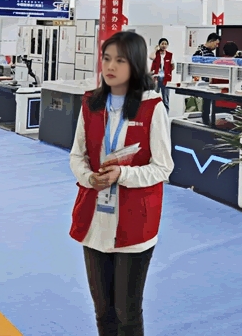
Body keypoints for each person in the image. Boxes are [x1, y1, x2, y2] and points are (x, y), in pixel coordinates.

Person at [70, 31, 173, 336]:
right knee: (103, 311)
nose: (110, 66)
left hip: (134, 220)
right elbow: (77, 155)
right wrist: (89, 177)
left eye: (120, 60)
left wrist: (123, 175)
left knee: (127, 313)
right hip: (95, 218)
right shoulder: (91, 103)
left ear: (136, 65)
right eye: (106, 58)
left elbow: (163, 167)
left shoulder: (152, 107)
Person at [149, 38, 174, 109]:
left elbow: (172, 66)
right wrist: (155, 50)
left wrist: (167, 72)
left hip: (165, 78)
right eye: (162, 44)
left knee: (165, 98)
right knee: (154, 97)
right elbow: (151, 57)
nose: (164, 45)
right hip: (156, 78)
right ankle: (153, 113)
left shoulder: (169, 55)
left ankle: (166, 113)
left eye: (165, 44)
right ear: (159, 45)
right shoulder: (156, 54)